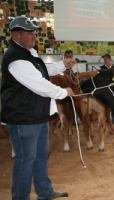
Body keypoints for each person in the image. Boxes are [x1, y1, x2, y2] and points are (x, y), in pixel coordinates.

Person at [1, 16, 77, 200]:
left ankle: (44, 192)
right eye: (29, 33)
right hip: (23, 119)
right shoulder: (15, 59)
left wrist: (62, 65)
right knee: (25, 160)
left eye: (34, 32)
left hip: (37, 116)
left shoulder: (30, 53)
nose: (34, 36)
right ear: (16, 35)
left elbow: (42, 70)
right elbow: (40, 85)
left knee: (41, 155)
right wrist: (64, 92)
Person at [100, 53, 114, 124]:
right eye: (104, 59)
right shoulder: (101, 69)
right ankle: (105, 119)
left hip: (113, 89)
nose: (105, 60)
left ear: (110, 59)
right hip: (105, 89)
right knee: (104, 104)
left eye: (106, 58)